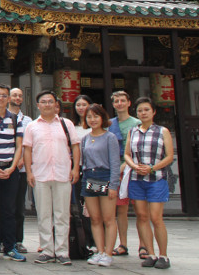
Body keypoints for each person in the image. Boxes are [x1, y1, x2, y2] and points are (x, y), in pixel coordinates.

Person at [23, 90, 81, 265]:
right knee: (44, 214)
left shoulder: (66, 124)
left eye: (50, 101)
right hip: (40, 174)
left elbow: (76, 147)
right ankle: (47, 250)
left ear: (56, 105)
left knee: (62, 214)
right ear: (38, 105)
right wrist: (29, 172)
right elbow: (27, 150)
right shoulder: (32, 126)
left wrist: (75, 168)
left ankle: (63, 251)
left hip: (63, 174)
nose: (47, 104)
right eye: (43, 101)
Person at [124, 97, 174, 269]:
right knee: (142, 216)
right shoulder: (133, 131)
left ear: (153, 112)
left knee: (156, 217)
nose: (143, 113)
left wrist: (152, 168)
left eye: (146, 110)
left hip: (156, 179)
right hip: (137, 179)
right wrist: (134, 166)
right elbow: (127, 154)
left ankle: (164, 255)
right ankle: (150, 253)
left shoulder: (163, 131)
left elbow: (169, 156)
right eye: (140, 111)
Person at [0, 84, 26, 262]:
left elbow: (19, 147)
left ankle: (10, 246)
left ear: (9, 99)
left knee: (10, 210)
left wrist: (12, 167)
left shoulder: (16, 120)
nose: (1, 99)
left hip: (10, 169)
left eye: (4, 96)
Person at [80, 104, 120, 267]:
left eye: (96, 116)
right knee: (94, 218)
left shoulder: (110, 137)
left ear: (103, 118)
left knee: (108, 218)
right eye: (89, 117)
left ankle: (109, 253)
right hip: (89, 177)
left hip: (105, 176)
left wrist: (114, 185)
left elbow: (115, 163)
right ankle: (100, 251)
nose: (92, 120)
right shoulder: (85, 138)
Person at [108, 91, 143, 258]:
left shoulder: (137, 123)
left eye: (123, 100)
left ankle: (144, 245)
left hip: (135, 169)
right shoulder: (110, 123)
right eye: (116, 101)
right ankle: (123, 244)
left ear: (129, 103)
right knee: (121, 209)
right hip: (118, 170)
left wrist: (125, 166)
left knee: (140, 209)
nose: (119, 103)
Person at [8, 87, 32, 254]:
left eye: (19, 95)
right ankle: (4, 240)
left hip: (21, 169)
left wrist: (23, 159)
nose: (17, 97)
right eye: (14, 95)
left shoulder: (28, 121)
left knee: (18, 207)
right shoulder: (0, 117)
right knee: (4, 206)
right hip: (4, 168)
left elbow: (31, 144)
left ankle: (17, 240)